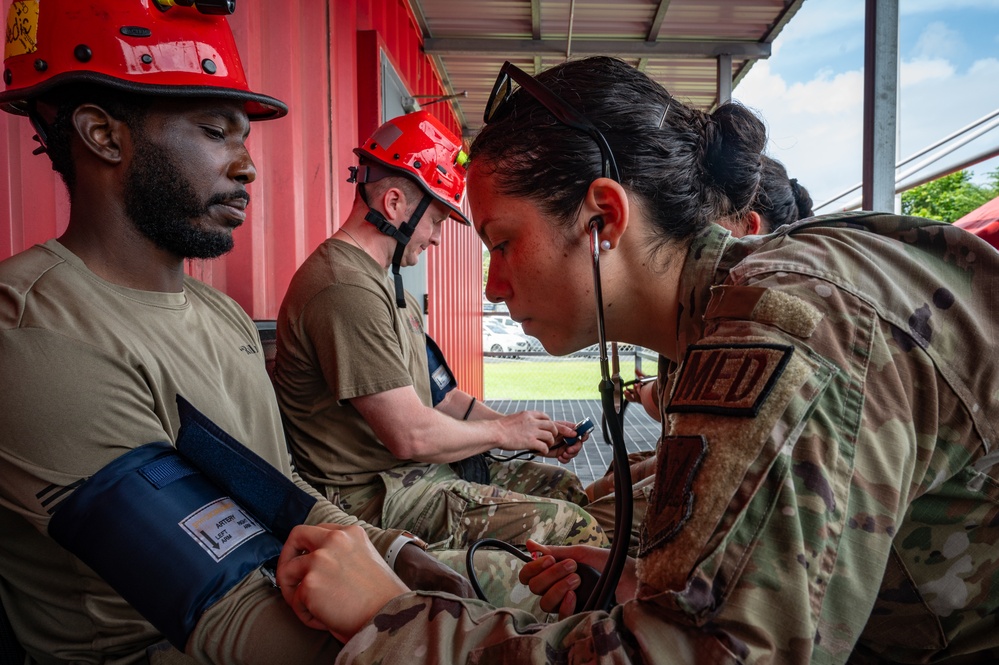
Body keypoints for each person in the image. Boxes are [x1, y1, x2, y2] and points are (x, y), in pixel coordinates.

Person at [272, 55, 999, 663]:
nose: (492, 286)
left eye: (501, 243)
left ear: (603, 217)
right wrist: (640, 581)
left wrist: (393, 618)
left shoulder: (777, 333)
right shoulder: (727, 315)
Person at [0, 2, 472, 662]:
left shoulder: (218, 315)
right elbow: (221, 604)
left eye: (242, 137)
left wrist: (394, 550)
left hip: (270, 592)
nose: (247, 166)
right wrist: (416, 633)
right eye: (216, 131)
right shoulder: (39, 335)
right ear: (103, 135)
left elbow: (268, 484)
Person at [273, 110, 608, 554]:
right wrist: (505, 432)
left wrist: (532, 431)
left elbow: (444, 398)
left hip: (421, 473)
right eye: (435, 220)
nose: (435, 240)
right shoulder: (343, 288)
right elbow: (410, 434)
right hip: (378, 496)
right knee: (569, 526)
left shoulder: (390, 289)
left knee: (563, 486)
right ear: (394, 204)